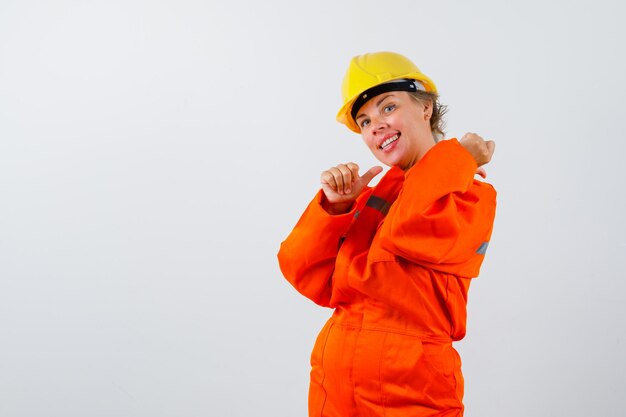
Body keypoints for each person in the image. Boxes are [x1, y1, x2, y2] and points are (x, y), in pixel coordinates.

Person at [277, 51, 497, 417]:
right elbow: (305, 274)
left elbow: (412, 231)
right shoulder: (373, 196)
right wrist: (335, 208)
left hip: (410, 387)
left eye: (387, 107)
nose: (375, 125)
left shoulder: (470, 193)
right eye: (364, 121)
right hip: (335, 382)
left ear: (426, 108)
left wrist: (459, 158)